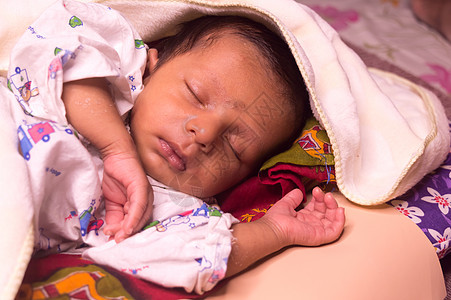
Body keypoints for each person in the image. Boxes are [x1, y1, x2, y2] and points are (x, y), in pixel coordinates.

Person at [8, 0, 345, 293]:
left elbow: (194, 257)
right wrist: (116, 148)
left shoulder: (175, 209)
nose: (204, 134)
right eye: (195, 94)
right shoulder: (115, 79)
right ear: (151, 66)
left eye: (235, 147)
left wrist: (273, 231)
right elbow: (62, 43)